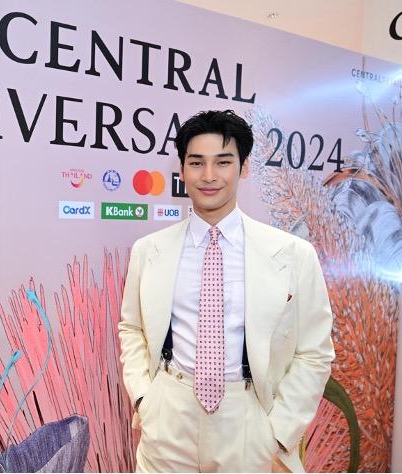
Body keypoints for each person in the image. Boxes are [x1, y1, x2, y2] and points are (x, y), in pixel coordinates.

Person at [118, 110, 334, 472]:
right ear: (181, 169)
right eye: (196, 163)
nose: (209, 176)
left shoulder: (293, 254)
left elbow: (315, 352)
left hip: (249, 420)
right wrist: (144, 398)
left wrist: (279, 432)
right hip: (168, 416)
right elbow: (132, 328)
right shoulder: (149, 250)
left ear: (243, 168)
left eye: (223, 162)